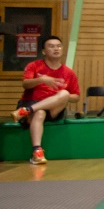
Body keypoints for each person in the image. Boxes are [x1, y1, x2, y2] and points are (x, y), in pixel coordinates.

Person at [12, 35, 80, 164]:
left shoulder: (69, 72)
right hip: (31, 102)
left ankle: (26, 110)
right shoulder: (34, 66)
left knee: (65, 93)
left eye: (59, 46)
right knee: (40, 112)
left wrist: (59, 97)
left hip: (53, 109)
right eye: (51, 46)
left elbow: (76, 97)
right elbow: (25, 84)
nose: (56, 49)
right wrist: (41, 79)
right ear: (43, 51)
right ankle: (37, 152)